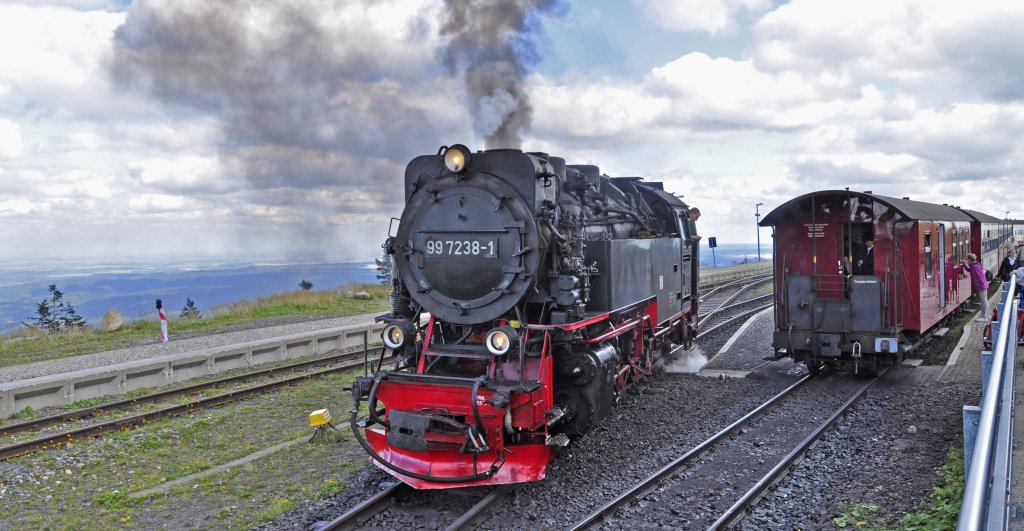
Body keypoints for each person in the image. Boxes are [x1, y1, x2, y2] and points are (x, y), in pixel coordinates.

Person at [964, 253, 990, 321]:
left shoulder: (975, 267)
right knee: (985, 300)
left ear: (970, 259)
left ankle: (984, 317)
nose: (966, 261)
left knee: (984, 301)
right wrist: (964, 265)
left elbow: (981, 276)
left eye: (967, 259)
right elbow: (969, 270)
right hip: (982, 285)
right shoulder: (973, 265)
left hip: (982, 286)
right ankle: (987, 315)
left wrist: (983, 285)